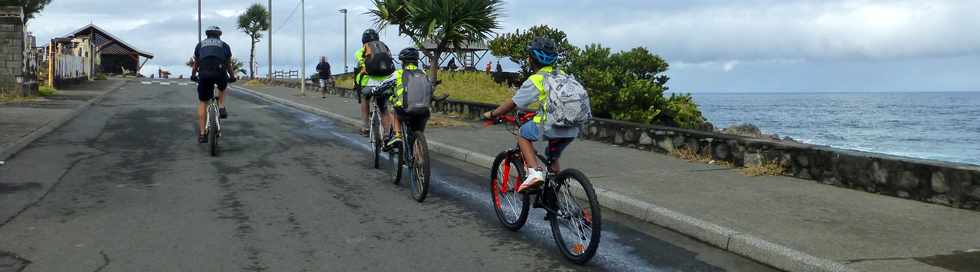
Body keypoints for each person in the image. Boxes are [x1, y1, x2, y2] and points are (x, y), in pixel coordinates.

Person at [482, 37, 577, 192]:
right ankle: (557, 190)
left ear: (531, 59)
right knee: (552, 154)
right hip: (574, 125)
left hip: (551, 123)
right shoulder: (562, 75)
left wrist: (493, 113)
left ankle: (534, 174)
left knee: (523, 134)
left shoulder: (536, 79)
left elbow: (513, 103)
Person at [191, 26, 236, 143]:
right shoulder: (224, 45)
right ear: (219, 35)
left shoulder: (200, 45)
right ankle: (221, 106)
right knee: (222, 86)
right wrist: (232, 76)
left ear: (207, 35)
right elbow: (228, 65)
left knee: (203, 101)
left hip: (204, 73)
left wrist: (193, 76)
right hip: (220, 72)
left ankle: (202, 134)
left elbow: (196, 64)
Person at [379, 48, 429, 149]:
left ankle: (397, 135)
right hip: (423, 111)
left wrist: (375, 90)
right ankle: (419, 149)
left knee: (393, 111)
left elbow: (383, 85)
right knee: (416, 132)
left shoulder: (398, 73)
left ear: (403, 62)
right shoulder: (423, 73)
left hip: (404, 110)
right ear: (416, 61)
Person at [354, 29, 394, 136]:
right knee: (383, 107)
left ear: (363, 40)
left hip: (369, 84)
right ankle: (387, 133)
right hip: (384, 84)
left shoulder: (361, 50)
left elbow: (360, 65)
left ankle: (365, 127)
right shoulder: (384, 48)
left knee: (365, 99)